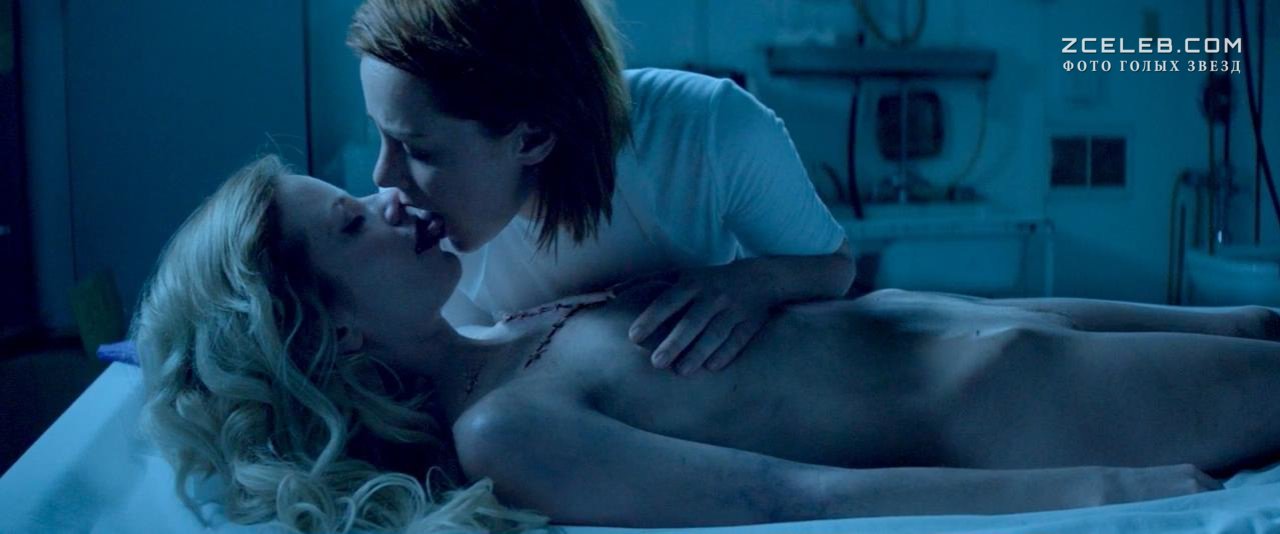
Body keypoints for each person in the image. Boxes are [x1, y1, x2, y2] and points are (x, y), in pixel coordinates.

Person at [134, 157, 1280, 532]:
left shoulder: (512, 309)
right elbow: (796, 496)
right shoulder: (504, 430)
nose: (389, 196)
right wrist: (1114, 493)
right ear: (328, 331)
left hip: (1004, 324)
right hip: (1023, 405)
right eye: (351, 222)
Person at [346, 0, 856, 376]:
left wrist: (756, 281)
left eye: (418, 150)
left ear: (534, 137)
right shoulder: (422, 236)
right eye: (380, 136)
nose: (383, 178)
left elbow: (834, 266)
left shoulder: (706, 128)